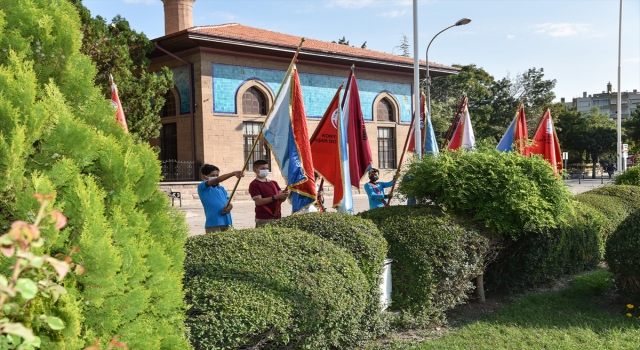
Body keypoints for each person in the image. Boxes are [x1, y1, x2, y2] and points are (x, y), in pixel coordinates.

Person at [197, 164, 244, 233]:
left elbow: (229, 201)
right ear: (204, 177)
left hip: (227, 221)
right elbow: (219, 179)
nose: (215, 177)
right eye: (212, 175)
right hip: (213, 223)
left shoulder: (221, 188)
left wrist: (229, 207)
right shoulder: (202, 187)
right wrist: (233, 173)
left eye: (217, 175)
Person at [249, 160, 289, 227]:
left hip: (277, 216)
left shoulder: (273, 183)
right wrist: (276, 196)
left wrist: (284, 195)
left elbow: (281, 199)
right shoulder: (254, 184)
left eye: (267, 168)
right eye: (262, 168)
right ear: (255, 170)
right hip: (264, 217)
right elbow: (259, 201)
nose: (265, 170)